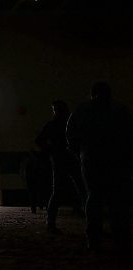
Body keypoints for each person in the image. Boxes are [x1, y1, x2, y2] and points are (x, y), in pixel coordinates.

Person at [66, 82, 133, 251]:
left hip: (91, 159)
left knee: (94, 197)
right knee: (117, 200)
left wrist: (80, 153)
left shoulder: (81, 110)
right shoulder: (120, 110)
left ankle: (93, 237)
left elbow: (70, 135)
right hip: (117, 161)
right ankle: (120, 236)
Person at [35, 100, 85, 234]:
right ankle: (91, 220)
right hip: (72, 159)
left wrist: (51, 151)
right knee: (82, 189)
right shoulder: (72, 123)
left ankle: (51, 222)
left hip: (59, 159)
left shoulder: (52, 125)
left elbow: (39, 140)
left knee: (57, 191)